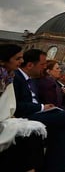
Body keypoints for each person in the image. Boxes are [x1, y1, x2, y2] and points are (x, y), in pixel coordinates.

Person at [12, 48, 65, 171]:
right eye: (42, 64)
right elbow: (15, 105)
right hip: (25, 115)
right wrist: (42, 107)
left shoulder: (32, 80)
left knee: (61, 130)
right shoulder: (16, 77)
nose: (45, 68)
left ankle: (56, 168)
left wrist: (46, 107)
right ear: (30, 65)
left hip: (38, 112)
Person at [0, 44, 47, 172]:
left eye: (21, 58)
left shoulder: (9, 76)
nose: (22, 61)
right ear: (3, 61)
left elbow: (9, 102)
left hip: (5, 117)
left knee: (34, 130)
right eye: (17, 58)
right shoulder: (5, 76)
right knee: (26, 135)